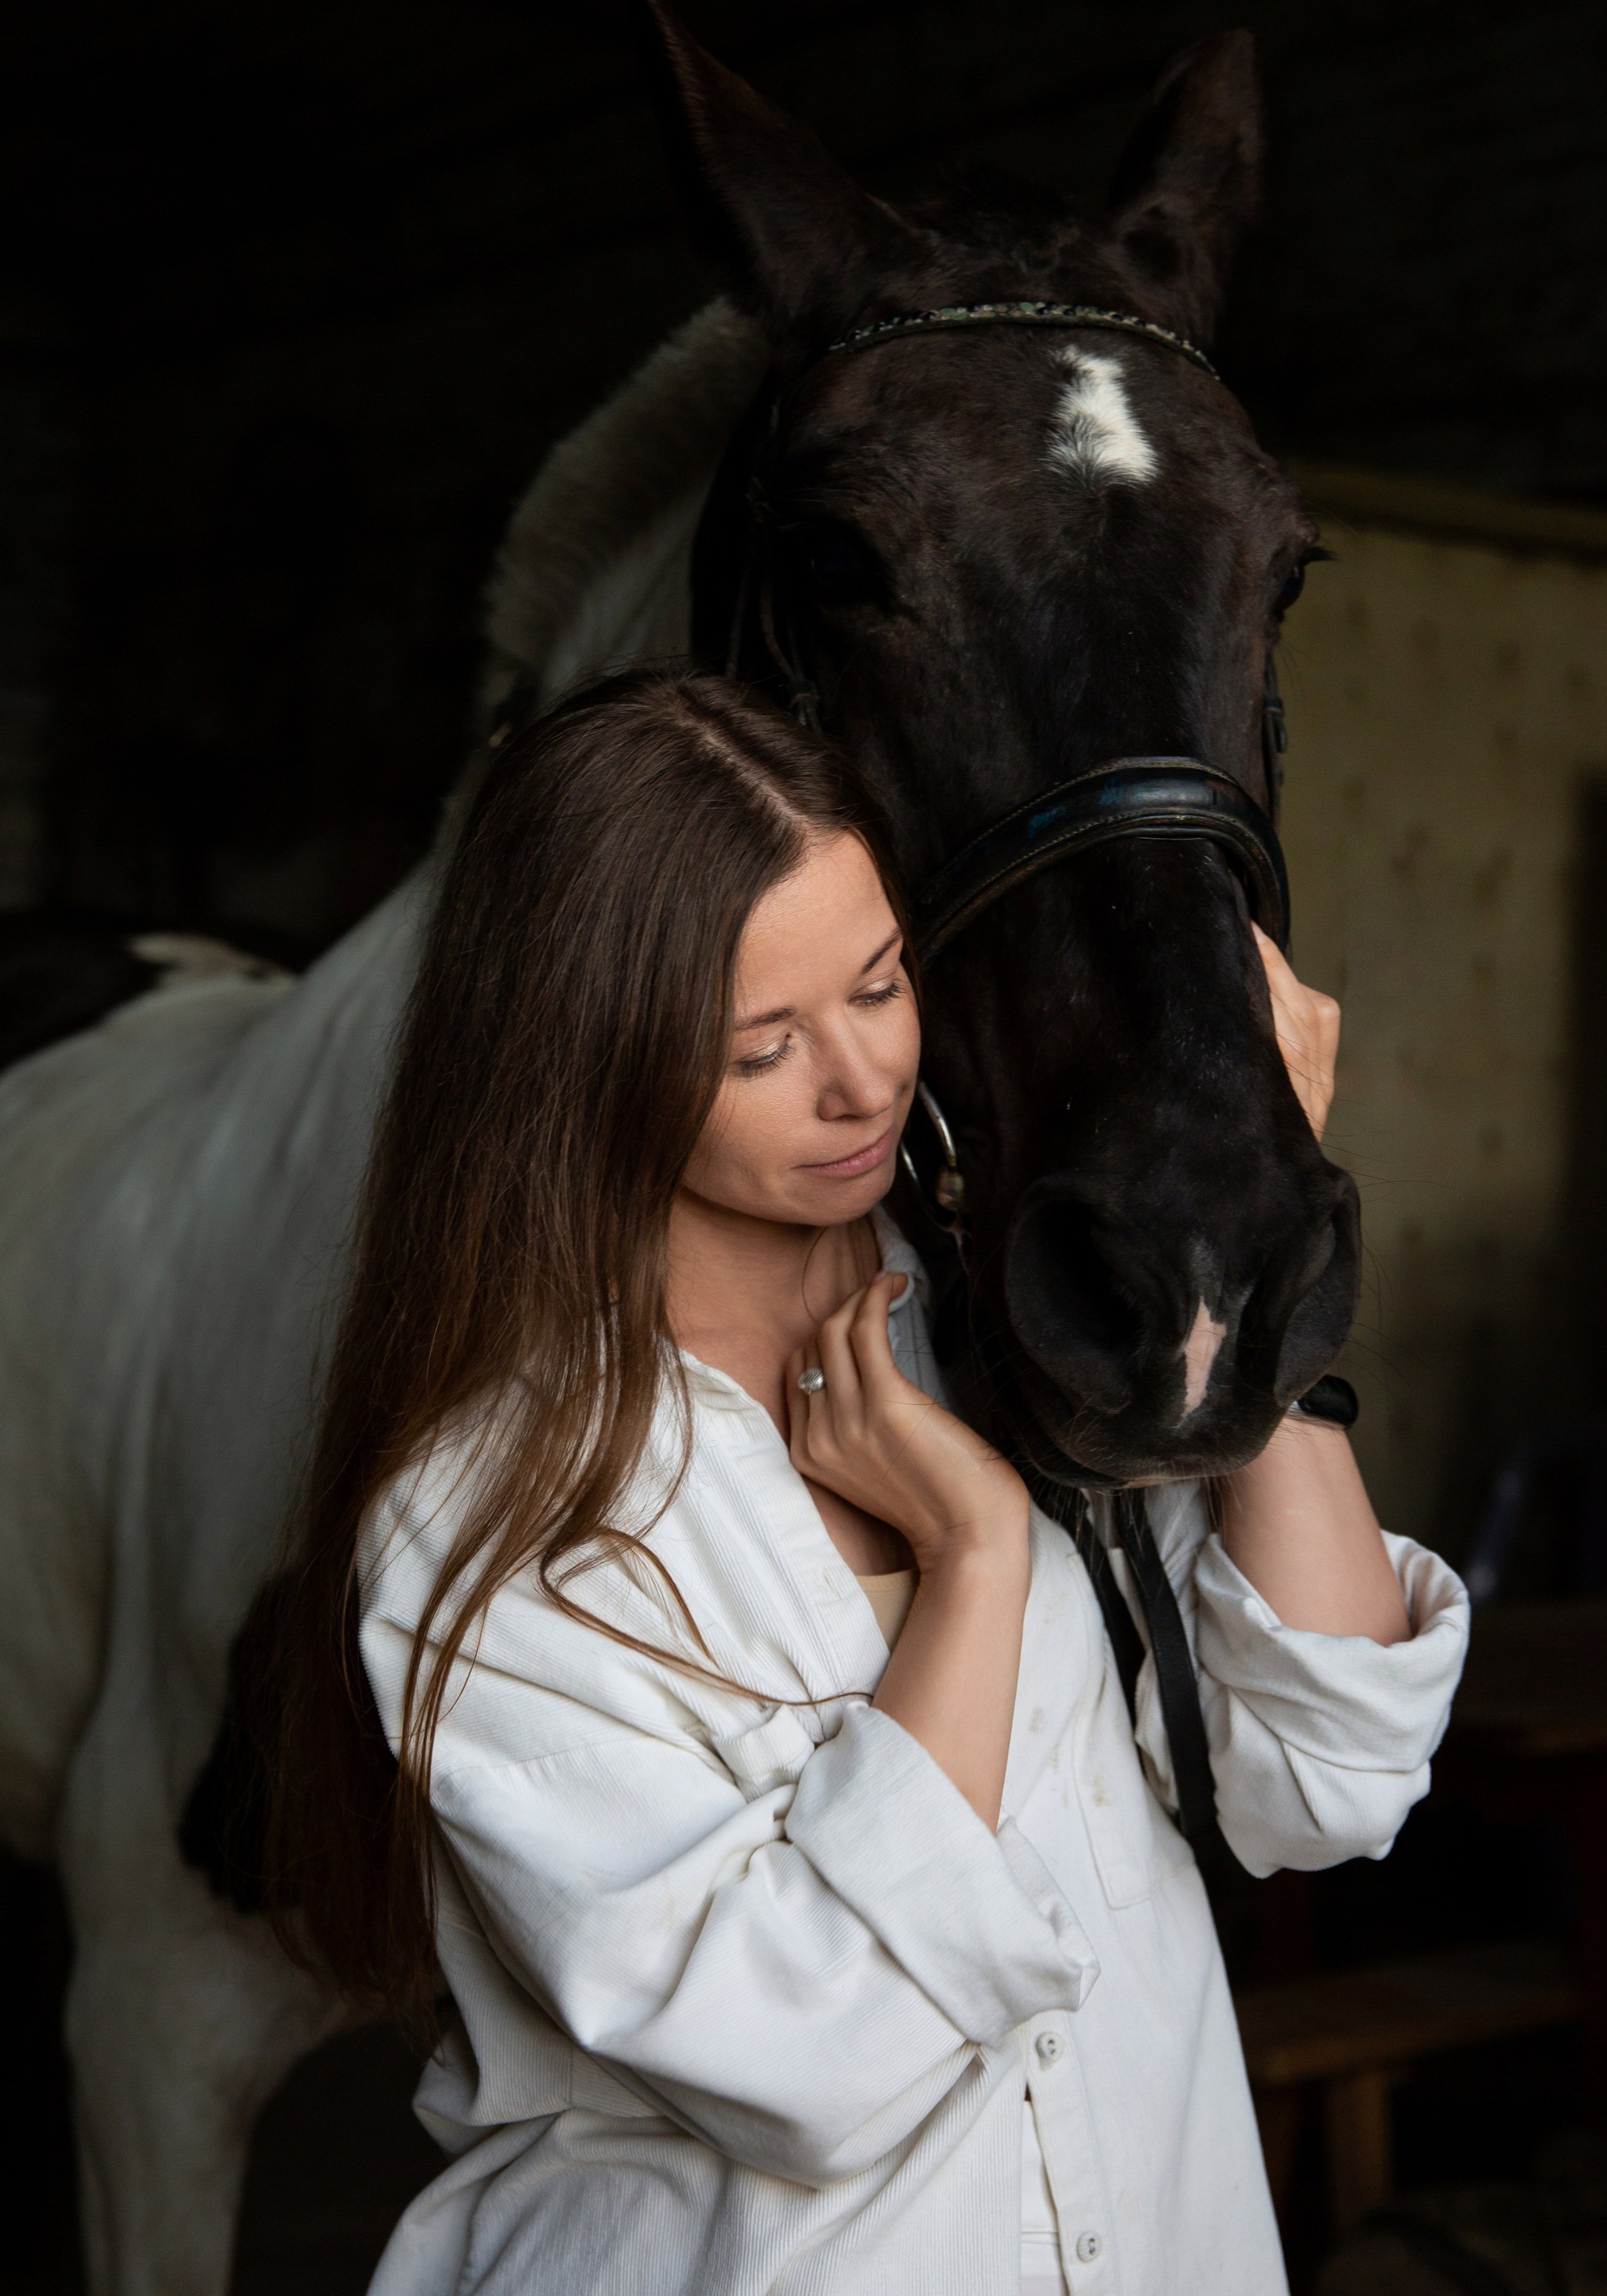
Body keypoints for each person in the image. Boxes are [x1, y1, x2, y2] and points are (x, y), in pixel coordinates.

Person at [271, 662, 1468, 2296]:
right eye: (761, 1044)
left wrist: (1246, 1240)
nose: (860, 1082)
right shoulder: (495, 1505)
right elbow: (817, 2055)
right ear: (581, 1060)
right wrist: (977, 1557)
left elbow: (1327, 1786)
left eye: (883, 982)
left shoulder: (1021, 1306)